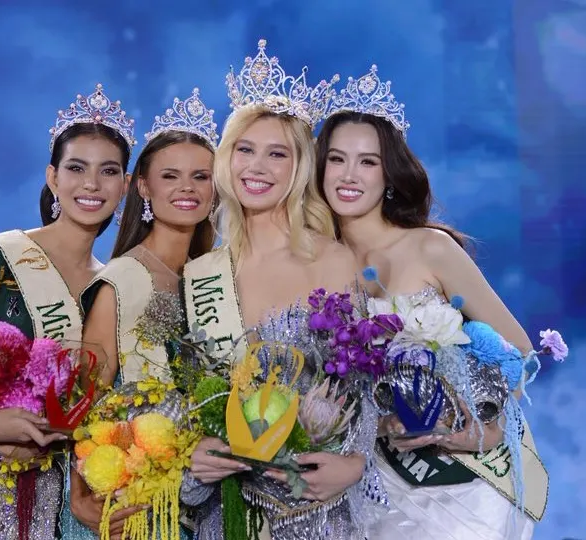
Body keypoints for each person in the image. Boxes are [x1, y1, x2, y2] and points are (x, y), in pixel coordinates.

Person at [314, 65, 546, 539]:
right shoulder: (317, 266)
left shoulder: (430, 248)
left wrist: (473, 422)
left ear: (389, 174)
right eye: (337, 159)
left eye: (368, 162)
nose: (349, 175)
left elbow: (518, 355)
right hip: (374, 484)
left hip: (459, 483)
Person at [179, 40, 384, 539]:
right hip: (224, 512)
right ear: (227, 158)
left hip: (312, 510)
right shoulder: (200, 273)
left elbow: (366, 386)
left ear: (298, 168)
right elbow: (186, 397)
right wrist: (190, 453)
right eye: (245, 150)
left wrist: (356, 462)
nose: (257, 167)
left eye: (277, 154)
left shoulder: (331, 259)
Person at [0, 84, 136, 540]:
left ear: (126, 185)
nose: (92, 184)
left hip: (50, 495)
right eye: (76, 168)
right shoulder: (3, 256)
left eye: (108, 171)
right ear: (53, 178)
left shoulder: (113, 284)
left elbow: (93, 404)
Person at [59, 88, 219, 539]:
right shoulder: (124, 277)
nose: (187, 188)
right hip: (128, 502)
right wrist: (80, 492)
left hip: (199, 494)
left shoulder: (214, 275)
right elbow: (85, 396)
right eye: (171, 176)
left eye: (201, 176)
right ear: (144, 187)